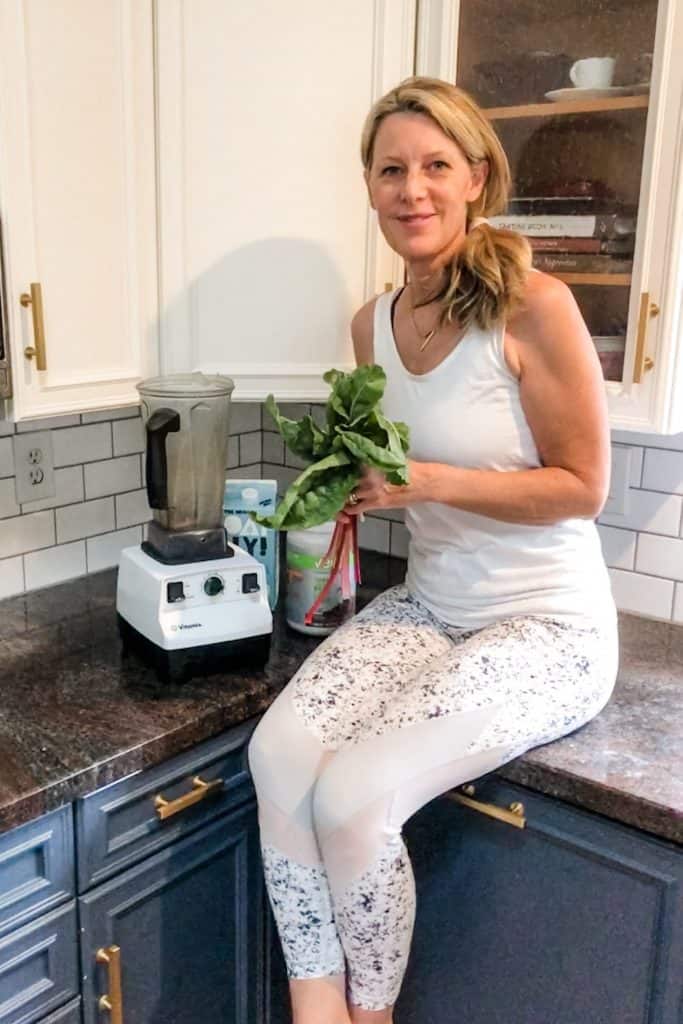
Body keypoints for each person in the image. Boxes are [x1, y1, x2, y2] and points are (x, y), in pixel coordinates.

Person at [248, 76, 618, 1024]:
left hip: (547, 626)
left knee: (354, 798)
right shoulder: (370, 324)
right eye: (390, 170)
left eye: (434, 167)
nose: (411, 190)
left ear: (475, 179)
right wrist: (348, 494)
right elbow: (393, 473)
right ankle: (317, 1012)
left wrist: (431, 485)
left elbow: (582, 486)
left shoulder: (534, 306)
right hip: (429, 606)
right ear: (369, 188)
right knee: (278, 755)